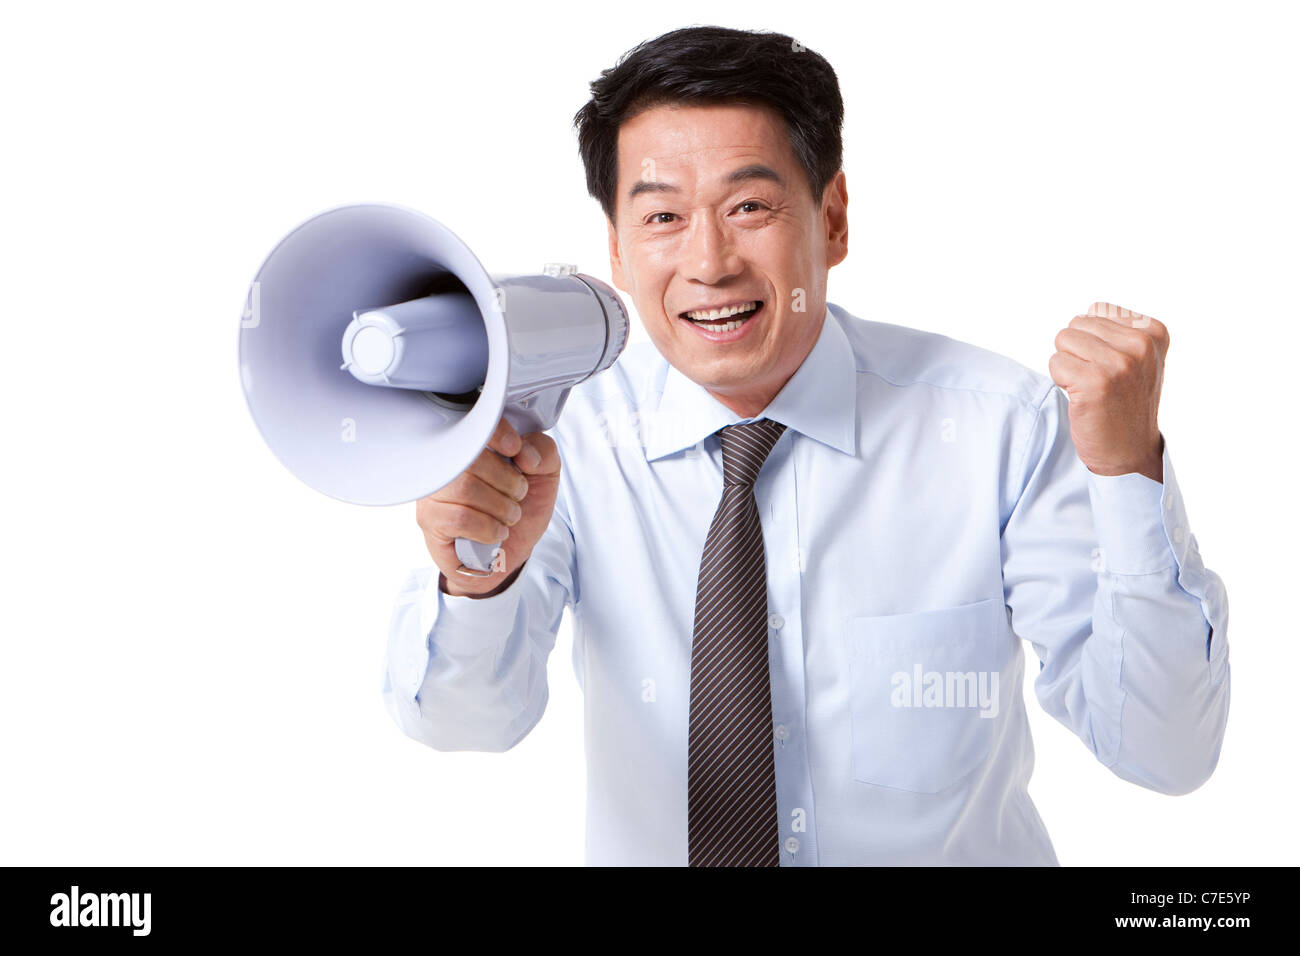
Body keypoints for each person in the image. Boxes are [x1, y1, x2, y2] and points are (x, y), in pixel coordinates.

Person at [381, 25, 1230, 866]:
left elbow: (1163, 750)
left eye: (749, 207)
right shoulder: (568, 439)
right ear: (616, 249)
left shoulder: (1001, 427)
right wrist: (477, 578)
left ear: (832, 219)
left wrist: (1125, 473)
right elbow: (465, 726)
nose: (708, 263)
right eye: (663, 216)